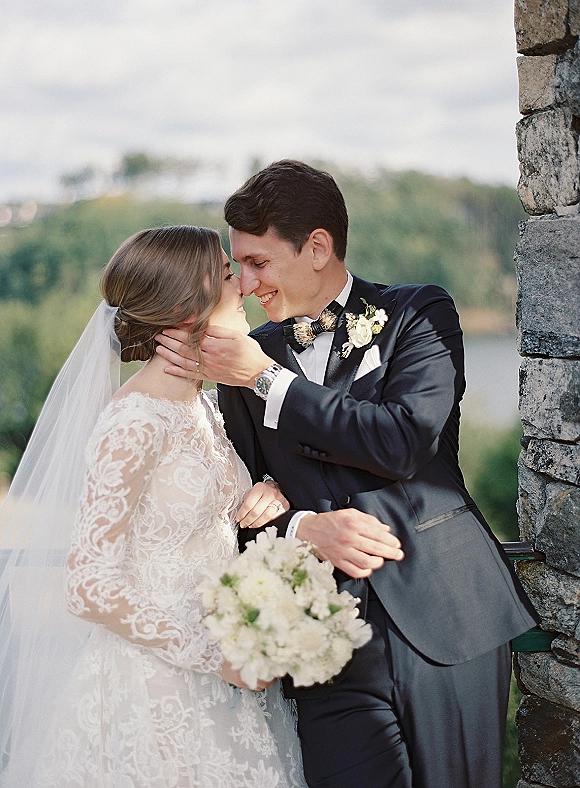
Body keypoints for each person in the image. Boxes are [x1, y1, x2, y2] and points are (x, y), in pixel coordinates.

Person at [155, 161, 540, 788]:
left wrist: (265, 379)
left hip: (445, 615)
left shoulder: (418, 313)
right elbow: (238, 501)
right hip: (320, 640)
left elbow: (402, 443)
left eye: (258, 262)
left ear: (316, 248)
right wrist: (302, 524)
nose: (246, 284)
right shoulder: (253, 353)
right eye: (240, 265)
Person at [0, 225, 307, 787]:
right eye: (225, 272)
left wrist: (269, 490)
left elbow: (218, 513)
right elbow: (88, 583)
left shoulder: (206, 407)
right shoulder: (134, 420)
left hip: (225, 683)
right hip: (151, 688)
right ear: (187, 308)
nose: (241, 283)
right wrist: (214, 656)